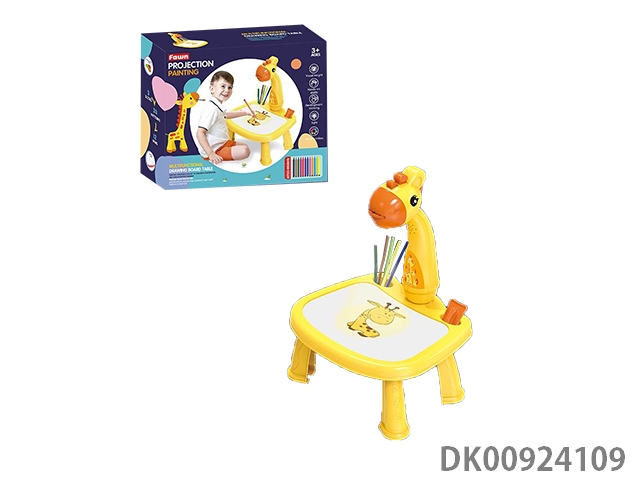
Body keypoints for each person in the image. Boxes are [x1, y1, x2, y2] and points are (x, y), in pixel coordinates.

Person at [196, 71, 251, 164]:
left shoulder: (216, 105)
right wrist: (211, 154)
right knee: (245, 150)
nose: (227, 90)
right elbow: (199, 133)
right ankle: (212, 155)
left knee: (245, 146)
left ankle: (224, 148)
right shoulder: (212, 109)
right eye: (223, 86)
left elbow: (225, 115)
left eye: (230, 87)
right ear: (212, 89)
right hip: (214, 149)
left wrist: (245, 112)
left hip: (222, 142)